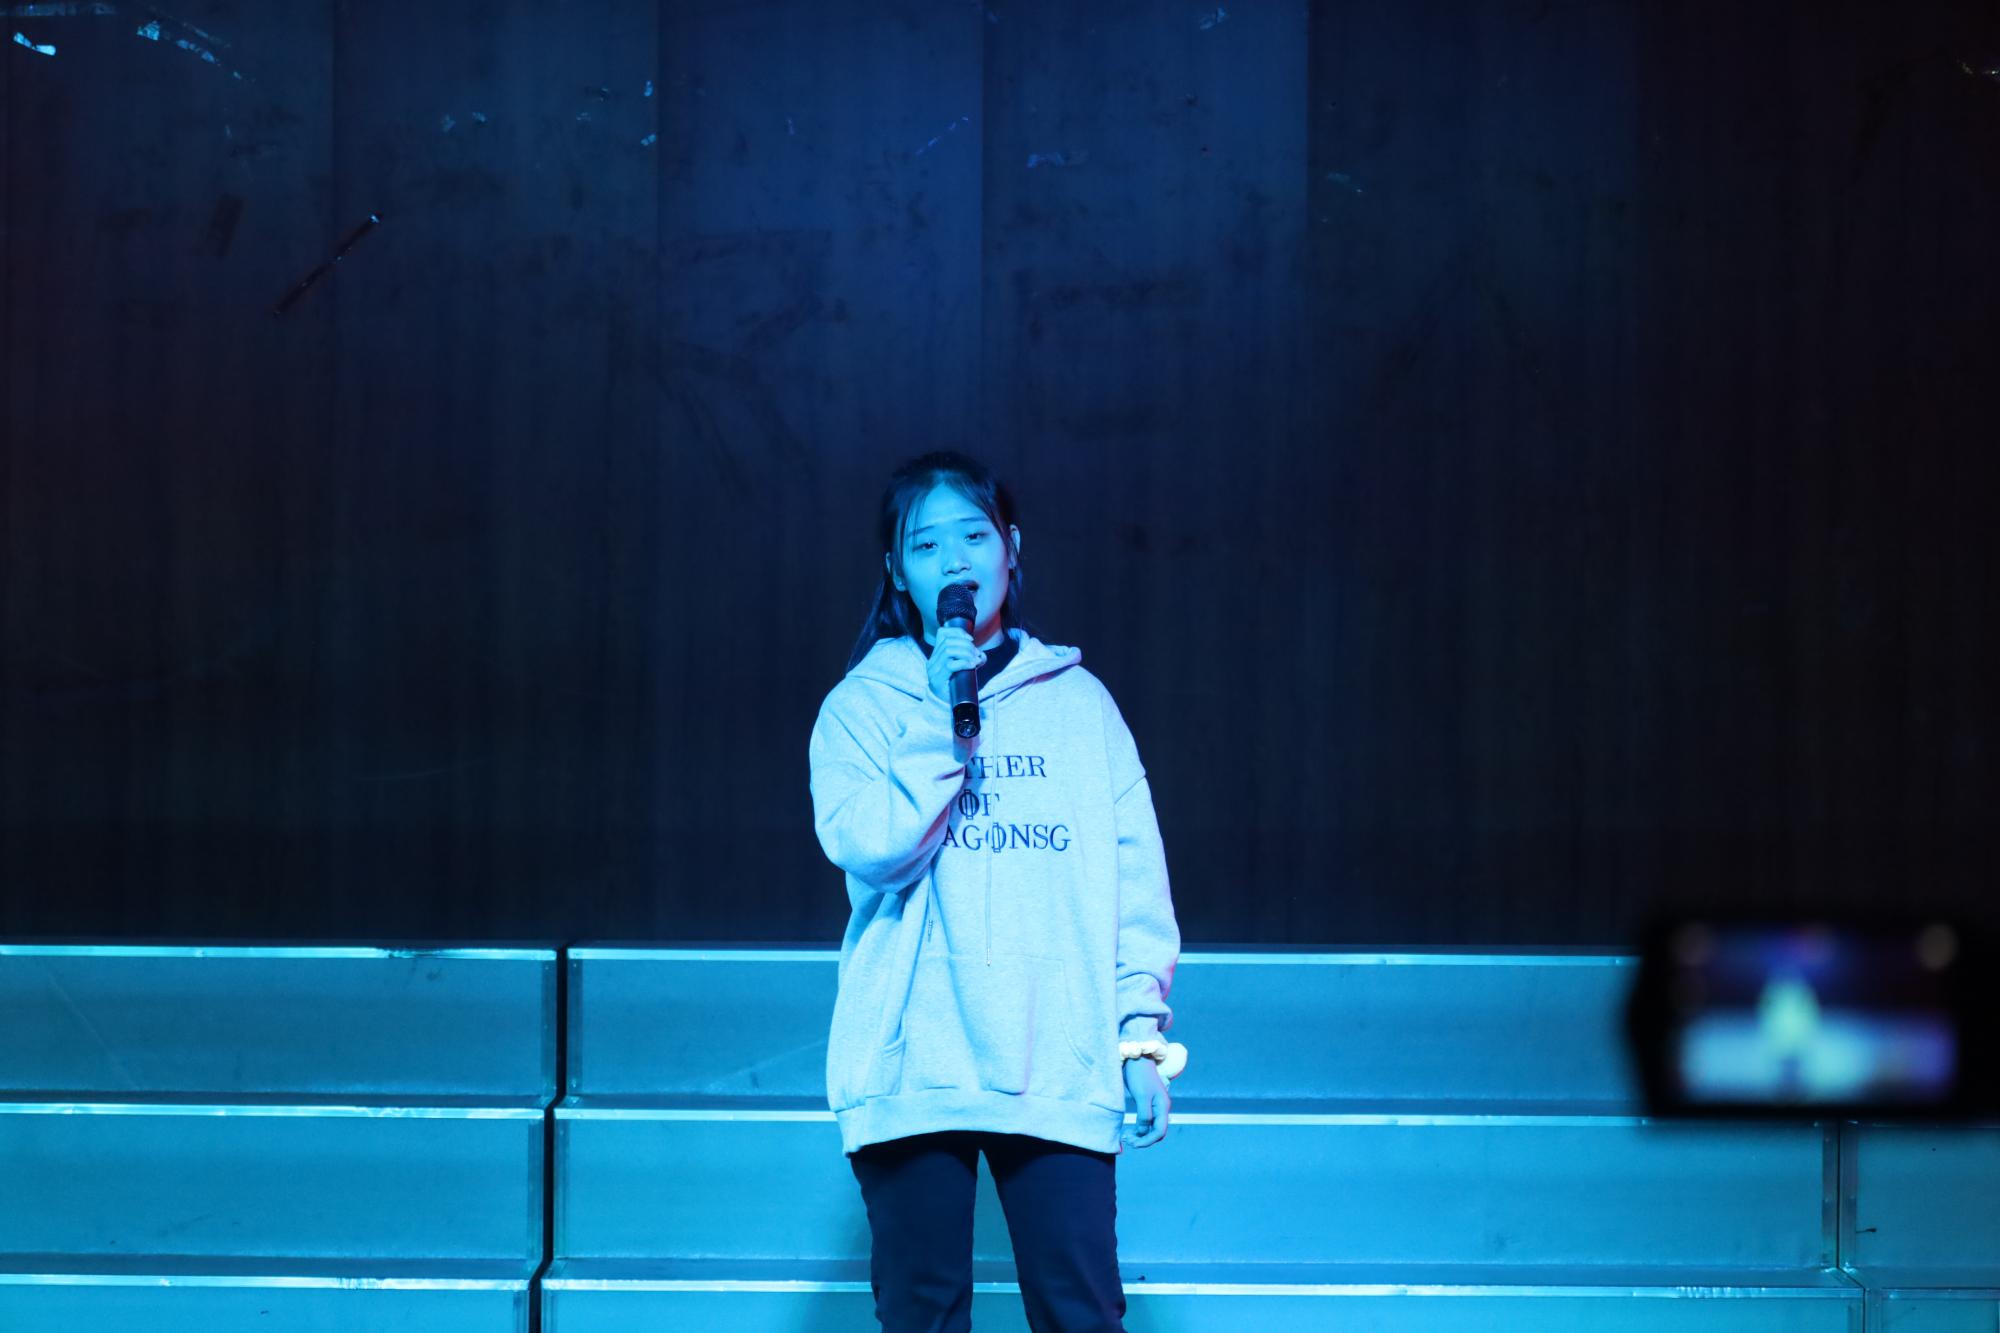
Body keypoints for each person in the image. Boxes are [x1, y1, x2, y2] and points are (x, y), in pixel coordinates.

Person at [808, 450, 1184, 1333]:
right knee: (924, 1316)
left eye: (974, 536)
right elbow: (874, 848)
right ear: (897, 571)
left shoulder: (1080, 704)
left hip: (1054, 1055)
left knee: (1081, 1313)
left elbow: (1136, 882)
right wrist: (939, 716)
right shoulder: (863, 707)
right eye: (926, 545)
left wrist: (1139, 1037)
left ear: (1012, 549)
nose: (955, 561)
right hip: (913, 1063)